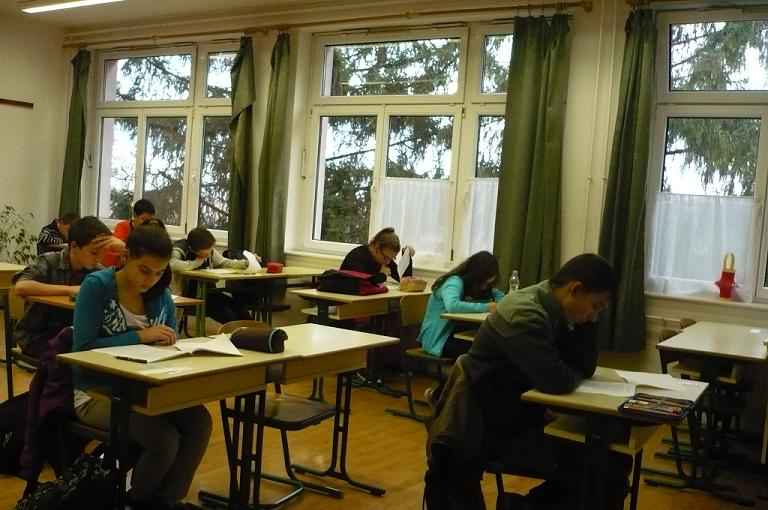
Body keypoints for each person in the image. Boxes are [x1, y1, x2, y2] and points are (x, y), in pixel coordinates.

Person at [424, 253, 630, 510]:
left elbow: (584, 368)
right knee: (608, 474)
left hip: (525, 418)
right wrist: (570, 368)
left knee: (617, 459)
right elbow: (558, 381)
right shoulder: (524, 313)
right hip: (496, 432)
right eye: (595, 307)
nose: (593, 316)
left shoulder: (554, 308)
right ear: (575, 289)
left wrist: (585, 326)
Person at [72, 225, 212, 510]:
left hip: (148, 390)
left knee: (200, 422)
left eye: (159, 273)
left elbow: (171, 346)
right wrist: (140, 336)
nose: (151, 280)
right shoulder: (97, 287)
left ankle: (165, 501)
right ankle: (137, 501)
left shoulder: (161, 295)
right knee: (163, 438)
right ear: (126, 258)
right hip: (98, 393)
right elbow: (83, 349)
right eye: (144, 270)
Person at [12, 216, 113, 358]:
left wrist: (123, 247)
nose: (99, 258)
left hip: (74, 335)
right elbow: (21, 287)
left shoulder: (97, 271)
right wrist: (71, 289)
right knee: (78, 357)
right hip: (38, 335)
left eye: (102, 253)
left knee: (96, 352)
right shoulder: (50, 260)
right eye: (94, 252)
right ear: (74, 246)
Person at [418, 251, 504, 360]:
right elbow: (452, 306)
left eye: (488, 284)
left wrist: (500, 301)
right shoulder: (454, 281)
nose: (484, 287)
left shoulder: (474, 285)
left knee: (494, 347)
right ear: (475, 276)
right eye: (483, 282)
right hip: (438, 339)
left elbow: (499, 295)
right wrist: (486, 307)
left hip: (453, 334)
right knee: (485, 352)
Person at [169, 226, 255, 324]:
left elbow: (225, 263)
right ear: (192, 249)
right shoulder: (180, 249)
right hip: (188, 296)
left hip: (208, 293)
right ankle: (238, 332)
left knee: (239, 307)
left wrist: (246, 263)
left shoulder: (210, 251)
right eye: (205, 253)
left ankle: (254, 331)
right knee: (227, 314)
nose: (208, 254)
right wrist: (196, 263)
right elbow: (172, 264)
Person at [340, 227, 415, 284]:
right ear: (377, 248)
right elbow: (361, 283)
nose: (388, 262)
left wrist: (407, 255)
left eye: (392, 258)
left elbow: (404, 280)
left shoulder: (384, 258)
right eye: (386, 258)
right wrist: (382, 275)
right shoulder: (358, 257)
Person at [101, 198, 156, 267]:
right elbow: (120, 247)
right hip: (114, 266)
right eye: (144, 219)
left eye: (150, 221)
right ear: (135, 216)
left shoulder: (150, 232)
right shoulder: (123, 226)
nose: (147, 224)